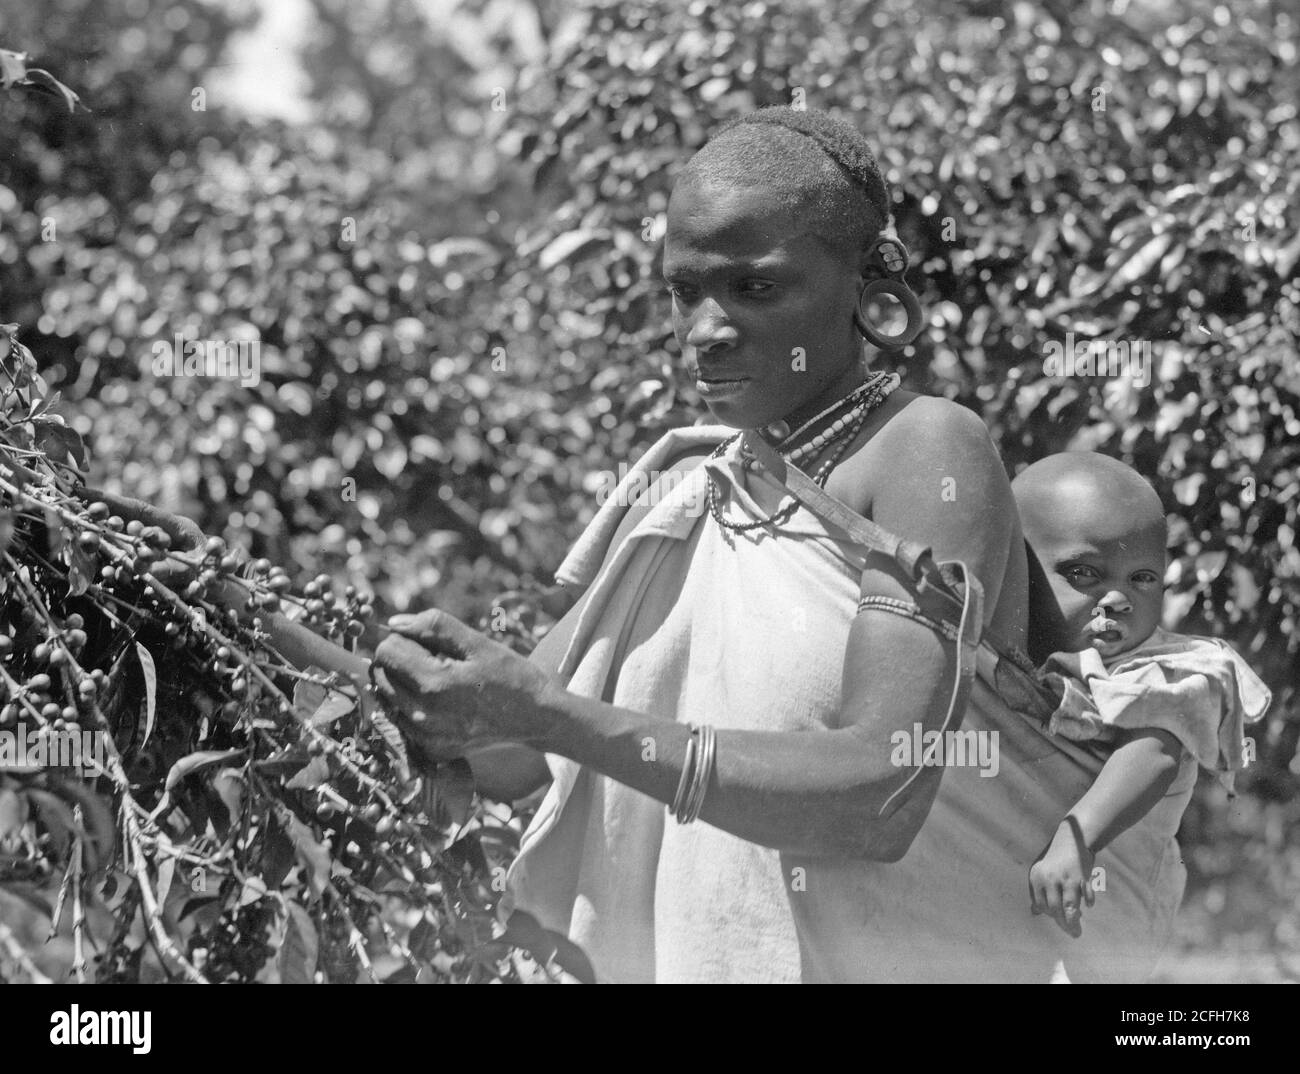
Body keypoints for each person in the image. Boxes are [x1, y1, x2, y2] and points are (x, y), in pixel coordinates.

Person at [372, 107, 1115, 983]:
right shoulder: (694, 497)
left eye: (755, 288)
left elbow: (880, 792)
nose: (705, 331)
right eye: (686, 292)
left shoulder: (926, 451)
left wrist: (550, 715)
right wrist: (220, 608)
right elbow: (501, 750)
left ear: (867, 290)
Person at [1013, 452, 1270, 981]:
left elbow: (1155, 752)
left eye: (1143, 578)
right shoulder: (1026, 655)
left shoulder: (1168, 669)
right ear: (1018, 572)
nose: (1118, 598)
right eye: (1084, 573)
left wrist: (1076, 837)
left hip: (1109, 894)